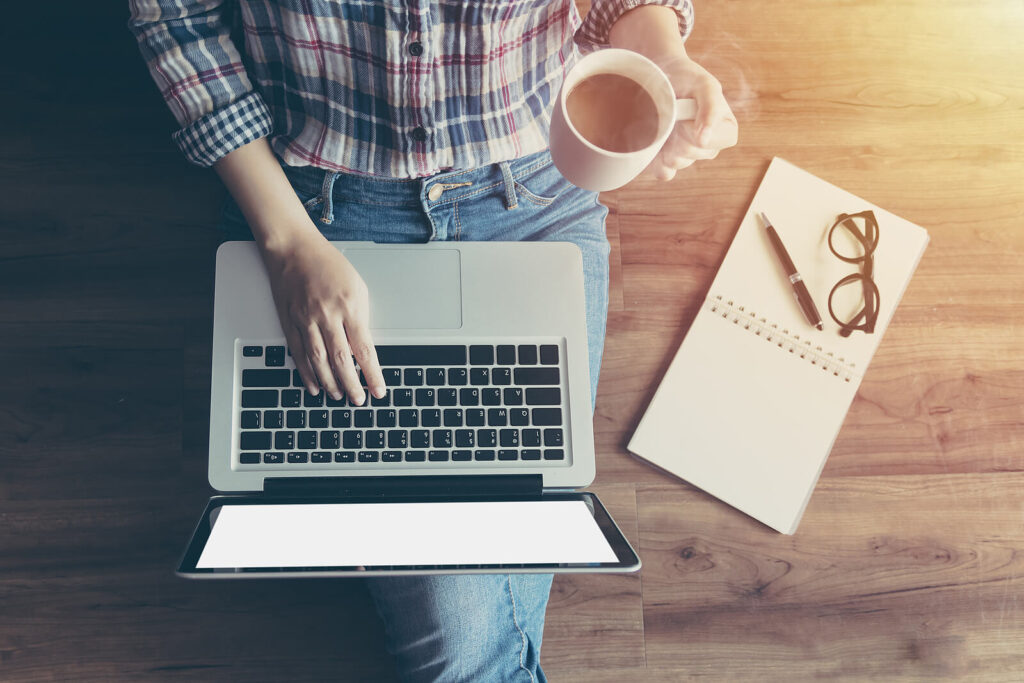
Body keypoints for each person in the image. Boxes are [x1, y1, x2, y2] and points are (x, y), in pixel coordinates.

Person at [129, 0, 736, 679]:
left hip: (534, 188)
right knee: (462, 641)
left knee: (464, 643)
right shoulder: (297, 233)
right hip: (315, 210)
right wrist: (287, 241)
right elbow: (175, 21)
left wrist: (662, 58)